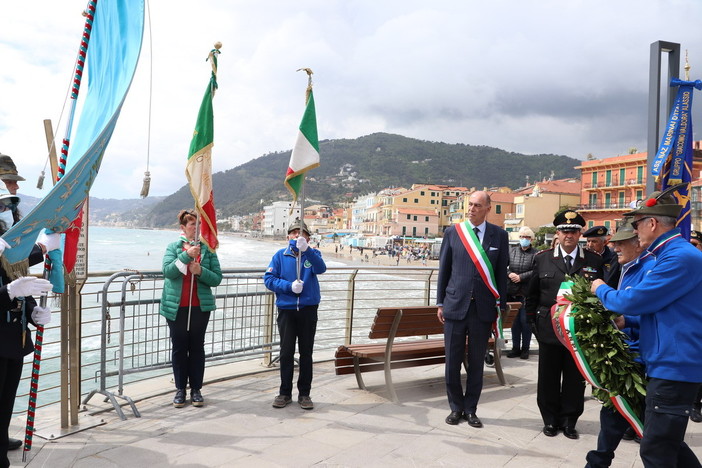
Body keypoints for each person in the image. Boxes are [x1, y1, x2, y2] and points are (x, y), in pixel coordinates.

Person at [591, 189, 702, 468]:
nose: (635, 230)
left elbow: (634, 300)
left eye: (637, 223)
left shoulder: (678, 257)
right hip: (668, 362)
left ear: (652, 224)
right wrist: (627, 322)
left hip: (674, 365)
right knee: (667, 445)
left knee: (656, 451)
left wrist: (600, 289)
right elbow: (664, 311)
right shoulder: (672, 254)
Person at [526, 210, 603, 439]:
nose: (568, 235)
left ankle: (569, 420)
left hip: (579, 330)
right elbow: (531, 296)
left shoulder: (593, 260)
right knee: (548, 377)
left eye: (573, 231)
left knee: (574, 378)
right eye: (564, 230)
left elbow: (600, 297)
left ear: (580, 233)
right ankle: (550, 420)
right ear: (557, 233)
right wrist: (534, 324)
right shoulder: (542, 258)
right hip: (549, 330)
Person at [436, 191, 509, 428]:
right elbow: (444, 270)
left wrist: (500, 306)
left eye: (477, 205)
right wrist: (440, 303)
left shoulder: (500, 236)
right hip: (455, 306)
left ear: (488, 208)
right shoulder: (453, 232)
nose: (472, 209)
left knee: (477, 362)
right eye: (470, 205)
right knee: (452, 361)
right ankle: (455, 408)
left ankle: (471, 409)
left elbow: (500, 276)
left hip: (483, 309)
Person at [585, 220, 652, 467]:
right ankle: (597, 461)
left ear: (637, 243)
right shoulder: (627, 266)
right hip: (629, 356)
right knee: (615, 415)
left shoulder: (649, 268)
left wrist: (626, 320)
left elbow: (649, 312)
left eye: (621, 243)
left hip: (643, 360)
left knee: (657, 435)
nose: (614, 248)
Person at [0, 192, 54, 466]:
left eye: (4, 206)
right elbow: (11, 286)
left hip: (13, 339)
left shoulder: (7, 246)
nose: (3, 211)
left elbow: (18, 279)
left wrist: (33, 312)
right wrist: (8, 291)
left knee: (6, 404)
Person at [160, 209, 222, 408]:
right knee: (179, 348)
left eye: (198, 224)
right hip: (176, 308)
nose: (195, 228)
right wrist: (186, 256)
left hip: (199, 307)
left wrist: (201, 271)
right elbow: (168, 272)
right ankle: (180, 389)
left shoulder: (208, 250)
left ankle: (196, 389)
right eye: (192, 224)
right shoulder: (173, 247)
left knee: (197, 348)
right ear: (183, 228)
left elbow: (217, 278)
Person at [264, 221, 326, 410]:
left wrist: (307, 251)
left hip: (308, 309)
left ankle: (305, 393)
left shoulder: (313, 254)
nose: (297, 236)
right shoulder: (279, 256)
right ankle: (284, 393)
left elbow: (321, 268)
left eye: (302, 234)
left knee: (306, 353)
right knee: (286, 352)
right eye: (294, 233)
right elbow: (269, 279)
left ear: (308, 238)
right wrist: (288, 287)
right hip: (287, 310)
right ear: (288, 236)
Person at [506, 226, 536, 359]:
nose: (524, 239)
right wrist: (510, 274)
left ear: (532, 239)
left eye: (527, 237)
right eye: (522, 236)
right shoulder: (511, 251)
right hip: (512, 292)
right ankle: (515, 348)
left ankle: (525, 349)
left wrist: (521, 277)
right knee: (514, 323)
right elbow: (503, 267)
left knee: (526, 322)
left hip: (527, 293)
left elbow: (537, 270)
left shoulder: (536, 253)